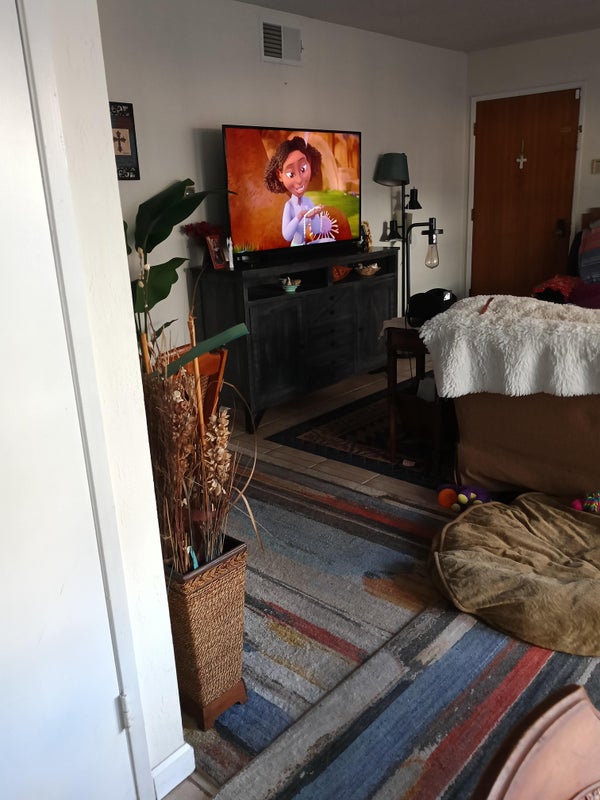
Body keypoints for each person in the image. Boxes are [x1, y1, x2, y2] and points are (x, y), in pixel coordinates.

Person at [264, 135, 324, 246]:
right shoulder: (289, 206)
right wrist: (299, 216)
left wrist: (314, 215)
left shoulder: (308, 202)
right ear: (279, 175)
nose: (299, 180)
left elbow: (316, 230)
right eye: (291, 174)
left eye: (303, 169)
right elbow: (287, 235)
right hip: (296, 247)